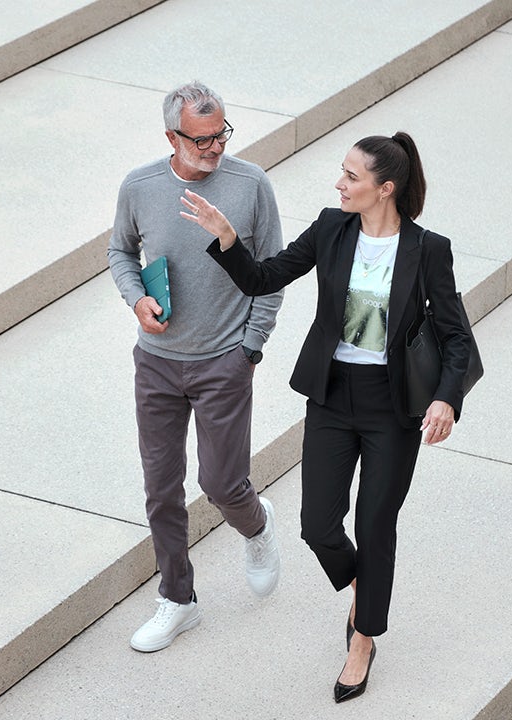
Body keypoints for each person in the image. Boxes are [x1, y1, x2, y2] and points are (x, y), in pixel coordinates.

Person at [179, 131, 471, 702]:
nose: (339, 183)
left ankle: (363, 639)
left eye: (352, 176)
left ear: (384, 189)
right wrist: (229, 240)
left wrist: (446, 398)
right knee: (318, 525)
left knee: (375, 525)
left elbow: (457, 336)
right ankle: (366, 585)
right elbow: (265, 278)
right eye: (342, 172)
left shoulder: (428, 249)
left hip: (394, 408)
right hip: (333, 396)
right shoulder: (331, 229)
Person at [107, 81, 285, 653]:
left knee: (221, 484)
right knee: (161, 488)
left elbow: (272, 273)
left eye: (221, 135)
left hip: (222, 362)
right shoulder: (140, 187)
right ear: (171, 136)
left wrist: (249, 348)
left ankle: (257, 526)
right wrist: (136, 298)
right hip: (157, 361)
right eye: (202, 139)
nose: (215, 148)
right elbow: (120, 251)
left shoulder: (250, 185)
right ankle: (178, 600)